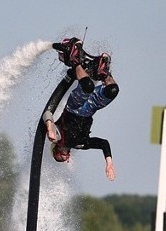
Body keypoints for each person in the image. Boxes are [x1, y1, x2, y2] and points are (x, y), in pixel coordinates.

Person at [43, 38, 119, 181]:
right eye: (62, 159)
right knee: (113, 90)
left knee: (88, 87)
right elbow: (103, 143)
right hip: (90, 108)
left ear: (56, 150)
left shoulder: (58, 137)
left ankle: (75, 61)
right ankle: (104, 74)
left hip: (74, 107)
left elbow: (47, 113)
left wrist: (49, 127)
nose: (62, 157)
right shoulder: (81, 144)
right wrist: (109, 163)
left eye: (58, 157)